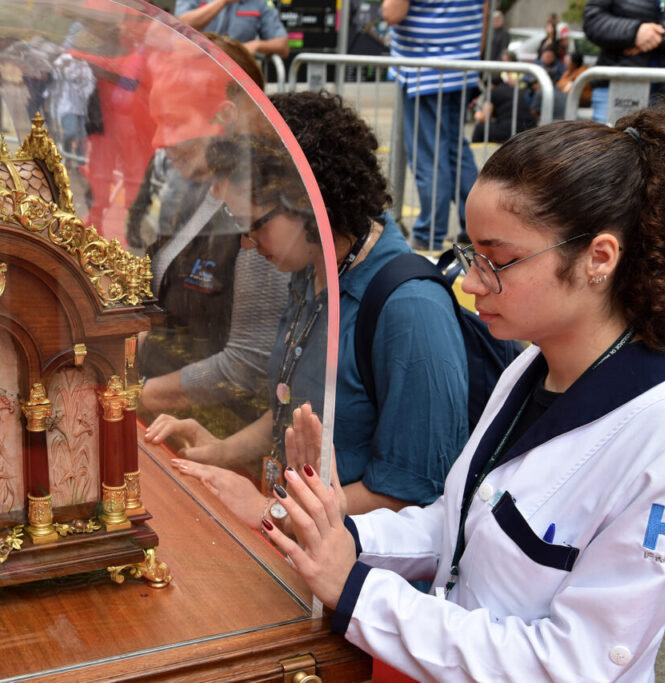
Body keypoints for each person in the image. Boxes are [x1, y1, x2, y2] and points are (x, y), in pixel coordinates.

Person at [260, 105, 665, 680]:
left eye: (499, 260)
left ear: (599, 258)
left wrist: (357, 591)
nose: (469, 282)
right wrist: (335, 531)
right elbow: (460, 523)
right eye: (471, 255)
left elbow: (573, 664)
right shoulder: (532, 365)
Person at [149, 91, 468, 525]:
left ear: (306, 202)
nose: (246, 243)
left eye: (253, 226)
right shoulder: (312, 268)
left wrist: (271, 510)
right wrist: (219, 451)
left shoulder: (411, 310)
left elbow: (411, 493)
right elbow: (295, 408)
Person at [131, 36, 289, 420]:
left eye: (172, 122)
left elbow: (247, 365)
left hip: (214, 435)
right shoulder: (197, 187)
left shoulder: (262, 209)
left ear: (226, 116)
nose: (157, 140)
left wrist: (133, 396)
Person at [382, 0, 482, 251]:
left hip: (424, 69)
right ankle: (477, 227)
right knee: (455, 151)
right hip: (463, 64)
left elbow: (393, 12)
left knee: (429, 156)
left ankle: (429, 234)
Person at [174, 0, 289, 58]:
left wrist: (256, 45)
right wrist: (224, 1)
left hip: (237, 75)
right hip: (196, 67)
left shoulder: (260, 2)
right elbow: (183, 24)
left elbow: (283, 46)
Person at [472, 75, 536, 143]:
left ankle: (474, 152)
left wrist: (477, 114)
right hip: (529, 128)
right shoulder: (514, 89)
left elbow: (484, 117)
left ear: (490, 85)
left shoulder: (492, 92)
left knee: (480, 128)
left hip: (510, 130)